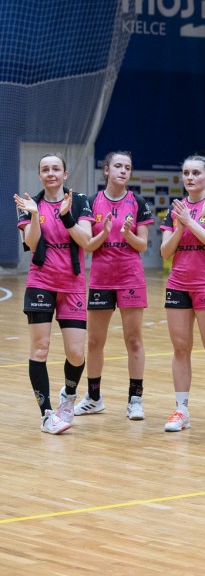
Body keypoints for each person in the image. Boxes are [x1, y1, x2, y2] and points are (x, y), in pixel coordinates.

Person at [14, 154, 95, 434]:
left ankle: (69, 397)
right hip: (41, 283)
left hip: (72, 284)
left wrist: (66, 215)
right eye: (45, 169)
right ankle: (47, 414)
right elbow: (32, 243)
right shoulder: (29, 205)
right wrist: (35, 214)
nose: (51, 173)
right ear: (39, 175)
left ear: (65, 173)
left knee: (75, 353)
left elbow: (86, 240)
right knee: (40, 348)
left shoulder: (80, 201)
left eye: (56, 169)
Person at [72, 152, 153, 421]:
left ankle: (135, 399)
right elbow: (87, 245)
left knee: (133, 340)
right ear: (106, 170)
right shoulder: (90, 202)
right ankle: (94, 397)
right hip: (101, 278)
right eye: (118, 166)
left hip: (130, 278)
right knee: (95, 341)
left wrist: (128, 234)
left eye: (127, 167)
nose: (123, 171)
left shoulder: (138, 202)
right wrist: (105, 232)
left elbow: (142, 246)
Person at [160, 155, 205, 433]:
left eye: (195, 173)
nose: (190, 178)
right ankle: (181, 410)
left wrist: (190, 222)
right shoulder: (175, 210)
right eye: (186, 173)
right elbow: (166, 252)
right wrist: (180, 225)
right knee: (180, 349)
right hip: (178, 284)